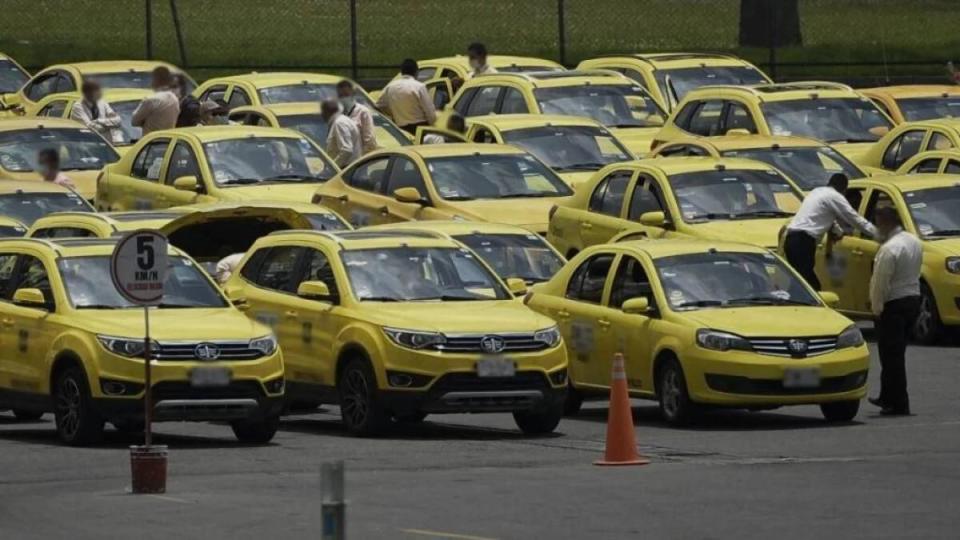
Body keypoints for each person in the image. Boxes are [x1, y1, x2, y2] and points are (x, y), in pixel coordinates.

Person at [868, 206, 922, 416]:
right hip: (913, 300)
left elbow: (879, 283)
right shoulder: (913, 241)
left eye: (879, 223)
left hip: (895, 305)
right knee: (896, 354)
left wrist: (876, 309)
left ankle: (898, 403)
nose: (877, 228)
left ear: (887, 223)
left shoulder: (889, 249)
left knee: (891, 357)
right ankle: (887, 397)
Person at [782, 173, 877, 290]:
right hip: (803, 242)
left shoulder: (817, 192)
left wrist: (838, 232)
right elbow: (855, 219)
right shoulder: (835, 196)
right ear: (843, 189)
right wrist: (878, 234)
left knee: (801, 284)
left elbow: (826, 217)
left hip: (791, 239)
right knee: (809, 287)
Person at [376, 59, 436, 135]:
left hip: (400, 130)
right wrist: (433, 127)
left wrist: (392, 114)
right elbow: (430, 112)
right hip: (420, 129)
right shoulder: (419, 87)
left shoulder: (390, 87)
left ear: (401, 72)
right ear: (416, 72)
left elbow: (379, 105)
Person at [132, 66, 180, 135]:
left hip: (152, 142)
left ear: (156, 80)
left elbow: (134, 121)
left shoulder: (151, 100)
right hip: (168, 140)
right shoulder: (174, 99)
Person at [337, 80, 378, 155]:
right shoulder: (338, 114)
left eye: (346, 94)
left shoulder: (363, 112)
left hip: (359, 159)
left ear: (352, 94)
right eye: (341, 96)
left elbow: (369, 140)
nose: (344, 98)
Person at [321, 98, 361, 168]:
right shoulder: (343, 120)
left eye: (322, 111)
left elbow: (346, 149)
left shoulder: (339, 123)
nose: (321, 115)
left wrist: (333, 168)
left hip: (345, 169)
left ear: (327, 111)